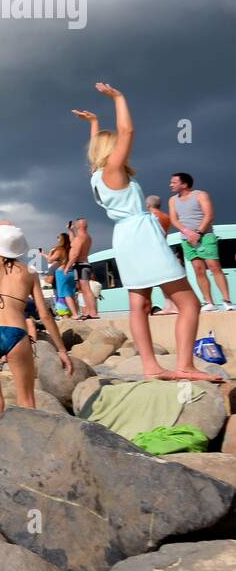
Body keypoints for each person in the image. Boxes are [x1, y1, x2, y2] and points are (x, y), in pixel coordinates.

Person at [73, 84, 221, 381]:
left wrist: (94, 125)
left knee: (138, 304)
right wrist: (118, 98)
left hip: (124, 236)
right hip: (142, 233)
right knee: (189, 303)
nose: (119, 148)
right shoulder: (114, 169)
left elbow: (97, 152)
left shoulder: (97, 176)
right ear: (110, 150)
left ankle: (151, 367)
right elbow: (127, 132)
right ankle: (185, 366)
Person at [0, 222, 72, 428]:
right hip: (15, 332)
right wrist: (61, 350)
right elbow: (44, 315)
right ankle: (25, 453)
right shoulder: (29, 273)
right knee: (27, 402)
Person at [169, 172, 232, 311]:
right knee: (198, 270)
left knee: (214, 266)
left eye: (174, 182)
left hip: (206, 236)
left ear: (184, 184)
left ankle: (227, 301)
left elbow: (209, 215)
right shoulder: (173, 200)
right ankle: (209, 302)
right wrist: (187, 233)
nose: (171, 185)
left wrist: (198, 233)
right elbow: (174, 220)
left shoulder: (201, 195)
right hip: (187, 239)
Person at [47, 232, 79, 319]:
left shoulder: (59, 250)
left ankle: (74, 315)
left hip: (62, 272)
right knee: (71, 294)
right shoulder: (71, 249)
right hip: (71, 272)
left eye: (58, 238)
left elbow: (50, 260)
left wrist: (50, 252)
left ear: (61, 240)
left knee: (65, 294)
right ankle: (76, 313)